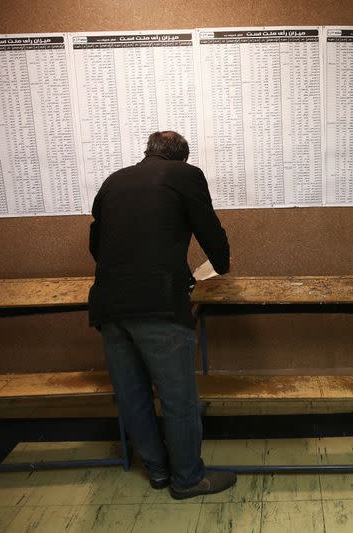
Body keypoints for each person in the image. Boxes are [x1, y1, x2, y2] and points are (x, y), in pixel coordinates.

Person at [88, 131, 236, 500]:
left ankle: (156, 471)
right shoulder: (185, 176)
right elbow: (208, 228)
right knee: (178, 398)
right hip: (158, 305)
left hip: (109, 306)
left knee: (133, 394)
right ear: (183, 159)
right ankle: (187, 479)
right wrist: (221, 265)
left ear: (147, 153)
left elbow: (96, 244)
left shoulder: (113, 180)